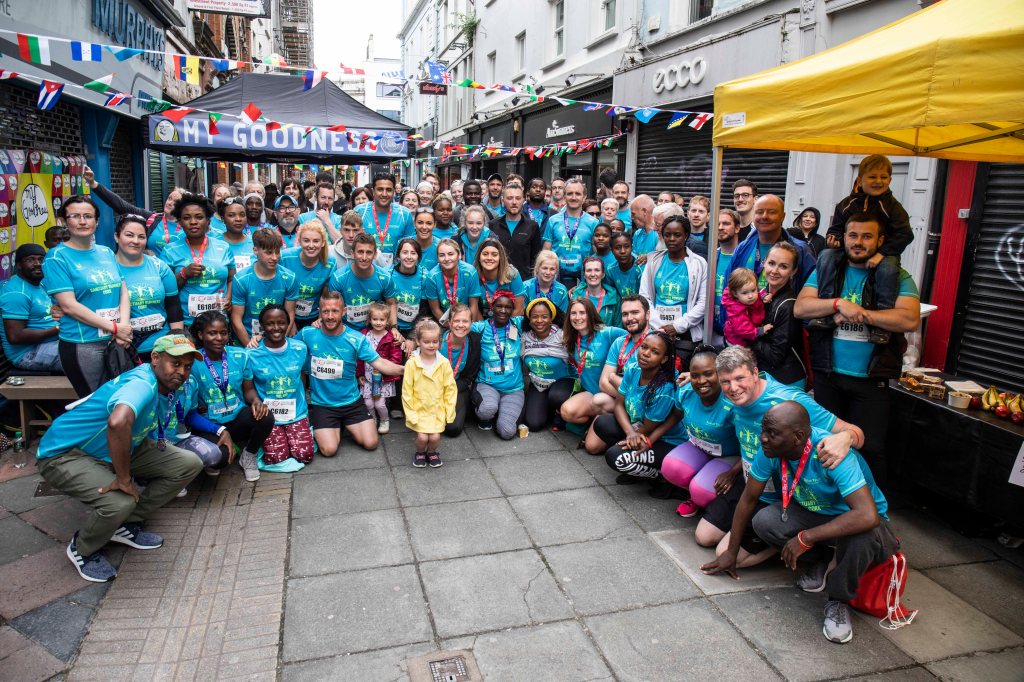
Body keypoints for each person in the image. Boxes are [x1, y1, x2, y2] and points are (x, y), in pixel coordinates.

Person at [703, 401, 897, 645]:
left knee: (862, 535)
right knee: (765, 521)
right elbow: (748, 499)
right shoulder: (771, 449)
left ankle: (838, 601)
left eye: (771, 433)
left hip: (864, 522)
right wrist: (731, 552)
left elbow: (867, 515)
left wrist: (806, 537)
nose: (762, 438)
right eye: (763, 431)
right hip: (817, 514)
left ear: (798, 437)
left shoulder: (831, 453)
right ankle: (823, 559)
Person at [35, 334, 205, 582]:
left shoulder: (166, 384)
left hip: (123, 447)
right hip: (66, 454)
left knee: (189, 464)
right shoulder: (142, 383)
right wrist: (124, 479)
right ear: (155, 359)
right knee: (119, 501)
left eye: (187, 366)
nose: (181, 372)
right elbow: (118, 422)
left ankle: (125, 525)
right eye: (175, 363)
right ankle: (83, 548)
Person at [695, 347, 865, 567]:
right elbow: (704, 381)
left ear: (756, 373)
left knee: (724, 553)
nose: (733, 388)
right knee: (703, 536)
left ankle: (808, 551)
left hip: (785, 494)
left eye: (740, 379)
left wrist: (846, 438)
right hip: (752, 482)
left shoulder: (788, 401)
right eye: (725, 381)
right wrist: (691, 376)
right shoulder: (727, 395)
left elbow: (856, 433)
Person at [795, 213, 921, 484]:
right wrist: (838, 304)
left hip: (870, 381)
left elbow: (909, 319)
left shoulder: (897, 275)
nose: (859, 242)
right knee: (823, 442)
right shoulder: (829, 269)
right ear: (844, 238)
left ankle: (873, 513)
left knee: (870, 449)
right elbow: (801, 307)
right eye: (853, 235)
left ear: (881, 240)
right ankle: (828, 501)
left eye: (867, 236)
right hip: (829, 375)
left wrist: (863, 314)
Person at [816, 155, 914, 345]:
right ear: (860, 180)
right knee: (826, 256)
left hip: (884, 254)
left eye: (883, 177)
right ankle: (825, 311)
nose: (878, 181)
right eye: (872, 177)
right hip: (848, 253)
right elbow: (835, 228)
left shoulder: (894, 208)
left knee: (888, 268)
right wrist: (833, 239)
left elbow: (905, 235)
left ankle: (882, 324)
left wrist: (882, 253)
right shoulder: (846, 204)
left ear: (890, 180)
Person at [44, 195, 132, 397]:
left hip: (115, 340)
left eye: (88, 216)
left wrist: (124, 327)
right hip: (83, 345)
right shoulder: (57, 257)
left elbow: (123, 290)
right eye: (75, 216)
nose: (82, 221)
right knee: (94, 405)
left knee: (118, 401)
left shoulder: (106, 252)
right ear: (64, 221)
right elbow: (68, 306)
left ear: (97, 221)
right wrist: (116, 328)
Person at [301, 291, 404, 456]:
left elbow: (380, 363)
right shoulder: (307, 334)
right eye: (325, 311)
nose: (330, 316)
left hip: (351, 402)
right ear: (319, 313)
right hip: (323, 404)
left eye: (335, 311)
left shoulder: (356, 338)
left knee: (371, 443)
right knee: (329, 450)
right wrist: (258, 341)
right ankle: (330, 426)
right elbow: (287, 349)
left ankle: (340, 425)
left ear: (344, 311)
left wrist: (406, 369)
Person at [190, 311, 274, 482]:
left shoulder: (240, 355)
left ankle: (248, 454)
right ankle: (223, 449)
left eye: (223, 332)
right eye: (212, 333)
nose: (219, 338)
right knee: (219, 459)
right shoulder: (193, 361)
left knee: (266, 416)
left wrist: (257, 402)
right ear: (201, 334)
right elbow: (189, 408)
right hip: (209, 424)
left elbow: (248, 390)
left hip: (236, 418)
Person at [595, 332, 686, 486]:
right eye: (644, 347)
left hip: (665, 440)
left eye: (655, 352)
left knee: (616, 458)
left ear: (664, 359)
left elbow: (649, 428)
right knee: (602, 423)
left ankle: (660, 475)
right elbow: (618, 404)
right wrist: (630, 433)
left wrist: (634, 437)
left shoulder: (664, 388)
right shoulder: (633, 368)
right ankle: (641, 465)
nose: (646, 354)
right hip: (639, 429)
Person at [660, 346, 741, 517]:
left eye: (708, 374)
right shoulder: (686, 392)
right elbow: (675, 415)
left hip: (730, 456)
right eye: (695, 376)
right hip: (699, 447)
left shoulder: (733, 403)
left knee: (702, 491)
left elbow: (753, 446)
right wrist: (649, 439)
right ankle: (694, 492)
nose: (701, 381)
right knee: (670, 467)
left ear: (720, 373)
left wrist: (733, 473)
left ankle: (705, 498)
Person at [639, 216, 708, 365]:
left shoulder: (699, 264)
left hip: (686, 334)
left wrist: (677, 326)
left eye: (677, 235)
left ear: (686, 236)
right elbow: (644, 297)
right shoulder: (654, 261)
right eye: (667, 234)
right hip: (657, 330)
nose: (671, 239)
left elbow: (703, 302)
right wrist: (660, 327)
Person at [161, 193, 235, 329]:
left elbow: (231, 278)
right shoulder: (169, 251)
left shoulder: (223, 247)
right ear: (180, 221)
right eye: (186, 218)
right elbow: (164, 290)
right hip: (187, 323)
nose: (193, 222)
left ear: (208, 220)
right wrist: (184, 274)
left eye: (199, 217)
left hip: (220, 323)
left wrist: (229, 297)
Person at [114, 215, 184, 359]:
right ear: (117, 237)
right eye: (129, 235)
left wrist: (178, 341)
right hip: (121, 345)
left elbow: (173, 306)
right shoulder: (107, 268)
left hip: (159, 344)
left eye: (141, 237)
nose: (135, 241)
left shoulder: (159, 266)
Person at [724, 194, 816, 295]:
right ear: (753, 216)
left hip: (782, 310)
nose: (764, 216)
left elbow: (810, 293)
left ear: (783, 217)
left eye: (772, 212)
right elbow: (728, 290)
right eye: (759, 212)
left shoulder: (801, 250)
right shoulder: (742, 248)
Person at [83, 166, 183, 257]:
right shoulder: (152, 218)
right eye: (169, 198)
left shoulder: (188, 225)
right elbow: (121, 205)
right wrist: (93, 184)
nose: (170, 203)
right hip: (152, 270)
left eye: (175, 201)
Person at [558, 298, 627, 429]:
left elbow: (635, 337)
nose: (577, 317)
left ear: (590, 313)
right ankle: (594, 422)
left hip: (610, 395)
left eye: (582, 313)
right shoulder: (572, 338)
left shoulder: (608, 333)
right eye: (573, 313)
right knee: (567, 412)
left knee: (599, 401)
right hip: (590, 393)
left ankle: (607, 425)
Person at [403, 318, 457, 468]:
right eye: (427, 342)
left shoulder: (444, 363)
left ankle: (432, 452)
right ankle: (420, 452)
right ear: (418, 342)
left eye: (435, 341)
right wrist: (411, 414)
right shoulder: (412, 363)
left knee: (434, 437)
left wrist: (449, 411)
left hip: (436, 409)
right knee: (422, 437)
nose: (431, 345)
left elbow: (450, 388)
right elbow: (406, 391)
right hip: (419, 409)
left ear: (439, 342)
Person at [230, 227, 298, 346]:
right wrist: (250, 346)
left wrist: (279, 342)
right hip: (248, 338)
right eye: (269, 252)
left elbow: (290, 314)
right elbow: (236, 319)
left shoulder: (290, 278)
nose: (275, 257)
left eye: (277, 252)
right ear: (255, 250)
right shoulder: (241, 279)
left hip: (277, 337)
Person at [470, 291, 525, 439]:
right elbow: (456, 327)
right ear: (492, 307)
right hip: (487, 384)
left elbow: (542, 319)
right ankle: (488, 414)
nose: (503, 310)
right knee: (487, 409)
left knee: (507, 432)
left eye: (508, 307)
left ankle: (501, 412)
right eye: (499, 306)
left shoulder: (517, 325)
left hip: (513, 389)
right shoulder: (480, 328)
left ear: (512, 310)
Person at [752, 242, 807, 389]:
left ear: (793, 271)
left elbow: (775, 356)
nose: (774, 270)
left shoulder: (789, 305)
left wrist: (749, 334)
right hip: (768, 377)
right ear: (764, 263)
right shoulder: (760, 294)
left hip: (786, 382)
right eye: (771, 263)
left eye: (783, 266)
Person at [1, 244, 61, 372]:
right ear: (18, 265)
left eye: (41, 259)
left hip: (52, 342)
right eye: (31, 260)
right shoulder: (16, 294)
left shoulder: (41, 284)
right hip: (28, 354)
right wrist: (58, 328)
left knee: (98, 345)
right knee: (85, 355)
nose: (38, 263)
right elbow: (15, 337)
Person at [521, 298, 573, 432]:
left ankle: (559, 411)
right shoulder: (525, 338)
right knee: (533, 423)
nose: (539, 321)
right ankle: (548, 409)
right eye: (535, 317)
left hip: (563, 381)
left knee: (557, 396)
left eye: (544, 317)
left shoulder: (563, 336)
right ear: (529, 319)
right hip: (539, 383)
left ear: (551, 318)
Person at [596, 295, 653, 416]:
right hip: (626, 400)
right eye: (625, 314)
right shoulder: (619, 342)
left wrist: (613, 378)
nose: (630, 318)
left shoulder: (658, 342)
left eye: (635, 313)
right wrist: (630, 400)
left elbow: (652, 389)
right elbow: (603, 383)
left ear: (647, 315)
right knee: (598, 400)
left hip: (650, 407)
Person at [329, 233, 398, 331]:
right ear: (352, 253)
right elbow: (333, 309)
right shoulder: (338, 278)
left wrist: (394, 328)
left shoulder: (384, 277)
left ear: (375, 255)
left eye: (369, 252)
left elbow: (391, 304)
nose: (364, 257)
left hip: (375, 330)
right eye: (360, 252)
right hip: (346, 330)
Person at [280, 222, 336, 332]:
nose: (311, 245)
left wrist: (320, 319)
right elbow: (278, 293)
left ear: (323, 243)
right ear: (299, 241)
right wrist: (290, 323)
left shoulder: (330, 263)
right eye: (306, 240)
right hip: (285, 314)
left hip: (313, 317)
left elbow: (325, 296)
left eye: (316, 241)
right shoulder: (285, 258)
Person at [543, 179, 599, 289]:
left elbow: (597, 253)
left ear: (584, 197)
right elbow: (546, 252)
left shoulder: (593, 223)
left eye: (578, 194)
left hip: (583, 278)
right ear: (564, 196)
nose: (573, 197)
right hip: (556, 277)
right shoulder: (553, 220)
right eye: (570, 194)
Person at [357, 302, 404, 434]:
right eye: (375, 319)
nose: (378, 322)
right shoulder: (364, 335)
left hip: (384, 378)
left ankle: (384, 419)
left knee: (380, 404)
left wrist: (387, 373)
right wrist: (359, 374)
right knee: (368, 404)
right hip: (367, 377)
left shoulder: (391, 337)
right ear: (369, 320)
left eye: (382, 319)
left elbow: (396, 359)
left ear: (387, 321)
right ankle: (372, 420)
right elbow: (359, 357)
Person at [440, 304, 481, 437]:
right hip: (433, 388)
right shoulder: (438, 340)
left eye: (465, 321)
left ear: (471, 323)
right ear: (449, 323)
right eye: (457, 321)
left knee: (453, 429)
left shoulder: (474, 342)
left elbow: (469, 378)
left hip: (457, 387)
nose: (461, 325)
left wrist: (451, 388)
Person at [488, 183, 543, 279]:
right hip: (498, 281)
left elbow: (536, 258)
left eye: (518, 198)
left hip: (524, 282)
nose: (514, 202)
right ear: (503, 200)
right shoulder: (493, 225)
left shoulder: (532, 226)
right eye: (509, 198)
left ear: (524, 200)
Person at [360, 172, 413, 269]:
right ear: (373, 191)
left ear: (394, 191)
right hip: (365, 271)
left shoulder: (405, 214)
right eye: (380, 189)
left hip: (396, 272)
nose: (384, 194)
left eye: (388, 190)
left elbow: (411, 247)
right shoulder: (360, 212)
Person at [425, 238, 483, 323]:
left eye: (451, 254)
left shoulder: (470, 272)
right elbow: (435, 309)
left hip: (468, 317)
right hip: (445, 320)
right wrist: (451, 327)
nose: (446, 258)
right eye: (442, 255)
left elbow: (473, 305)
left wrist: (469, 326)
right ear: (437, 258)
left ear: (459, 255)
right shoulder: (432, 277)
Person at [712, 208, 743, 341]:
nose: (720, 227)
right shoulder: (711, 257)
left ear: (737, 228)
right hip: (711, 328)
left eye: (726, 224)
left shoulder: (745, 257)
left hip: (737, 329)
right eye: (717, 224)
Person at [390, 238, 429, 345]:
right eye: (405, 252)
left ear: (418, 257)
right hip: (392, 327)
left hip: (415, 328)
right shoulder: (387, 275)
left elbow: (424, 310)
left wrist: (412, 338)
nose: (409, 257)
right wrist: (393, 330)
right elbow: (384, 306)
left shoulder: (425, 276)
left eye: (413, 253)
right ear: (398, 256)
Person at [475, 239, 525, 319]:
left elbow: (518, 309)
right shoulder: (473, 276)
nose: (489, 258)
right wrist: (484, 327)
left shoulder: (512, 274)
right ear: (479, 257)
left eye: (494, 255)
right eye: (485, 254)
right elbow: (474, 309)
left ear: (500, 258)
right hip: (483, 323)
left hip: (510, 322)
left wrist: (504, 329)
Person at [722, 268, 770, 347]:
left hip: (748, 338)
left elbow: (759, 291)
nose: (751, 296)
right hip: (737, 344)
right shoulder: (735, 309)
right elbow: (743, 329)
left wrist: (763, 295)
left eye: (753, 290)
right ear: (735, 293)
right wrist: (760, 331)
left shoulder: (747, 298)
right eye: (745, 293)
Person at [569, 256, 621, 328]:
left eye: (597, 270)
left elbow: (618, 328)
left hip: (607, 338)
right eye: (589, 270)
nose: (593, 274)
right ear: (584, 274)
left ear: (603, 274)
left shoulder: (614, 298)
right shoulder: (576, 296)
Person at [523, 250, 570, 317]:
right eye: (545, 268)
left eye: (552, 269)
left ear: (556, 271)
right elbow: (521, 316)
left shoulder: (561, 290)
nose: (548, 272)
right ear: (537, 268)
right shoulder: (526, 287)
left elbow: (563, 318)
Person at [217, 196, 255, 271]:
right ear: (223, 219)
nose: (238, 219)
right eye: (231, 215)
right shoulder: (215, 243)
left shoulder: (255, 243)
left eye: (242, 215)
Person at [605, 232, 643, 299]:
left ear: (632, 247)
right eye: (617, 248)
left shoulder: (641, 267)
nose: (622, 251)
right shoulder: (610, 270)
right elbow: (612, 294)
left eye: (626, 246)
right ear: (612, 251)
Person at [411, 207, 441, 273]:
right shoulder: (404, 244)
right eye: (420, 222)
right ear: (414, 223)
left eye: (429, 223)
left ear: (435, 225)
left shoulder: (441, 246)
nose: (424, 227)